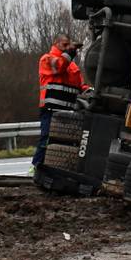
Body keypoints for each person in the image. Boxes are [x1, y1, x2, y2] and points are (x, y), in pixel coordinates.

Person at [31, 34, 90, 169]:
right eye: (64, 45)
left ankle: (58, 168)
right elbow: (59, 66)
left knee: (68, 144)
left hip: (69, 113)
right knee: (46, 139)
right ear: (55, 43)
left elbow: (82, 86)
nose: (66, 48)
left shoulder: (73, 66)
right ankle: (36, 166)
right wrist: (71, 51)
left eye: (67, 45)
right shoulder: (47, 59)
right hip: (50, 110)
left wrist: (91, 92)